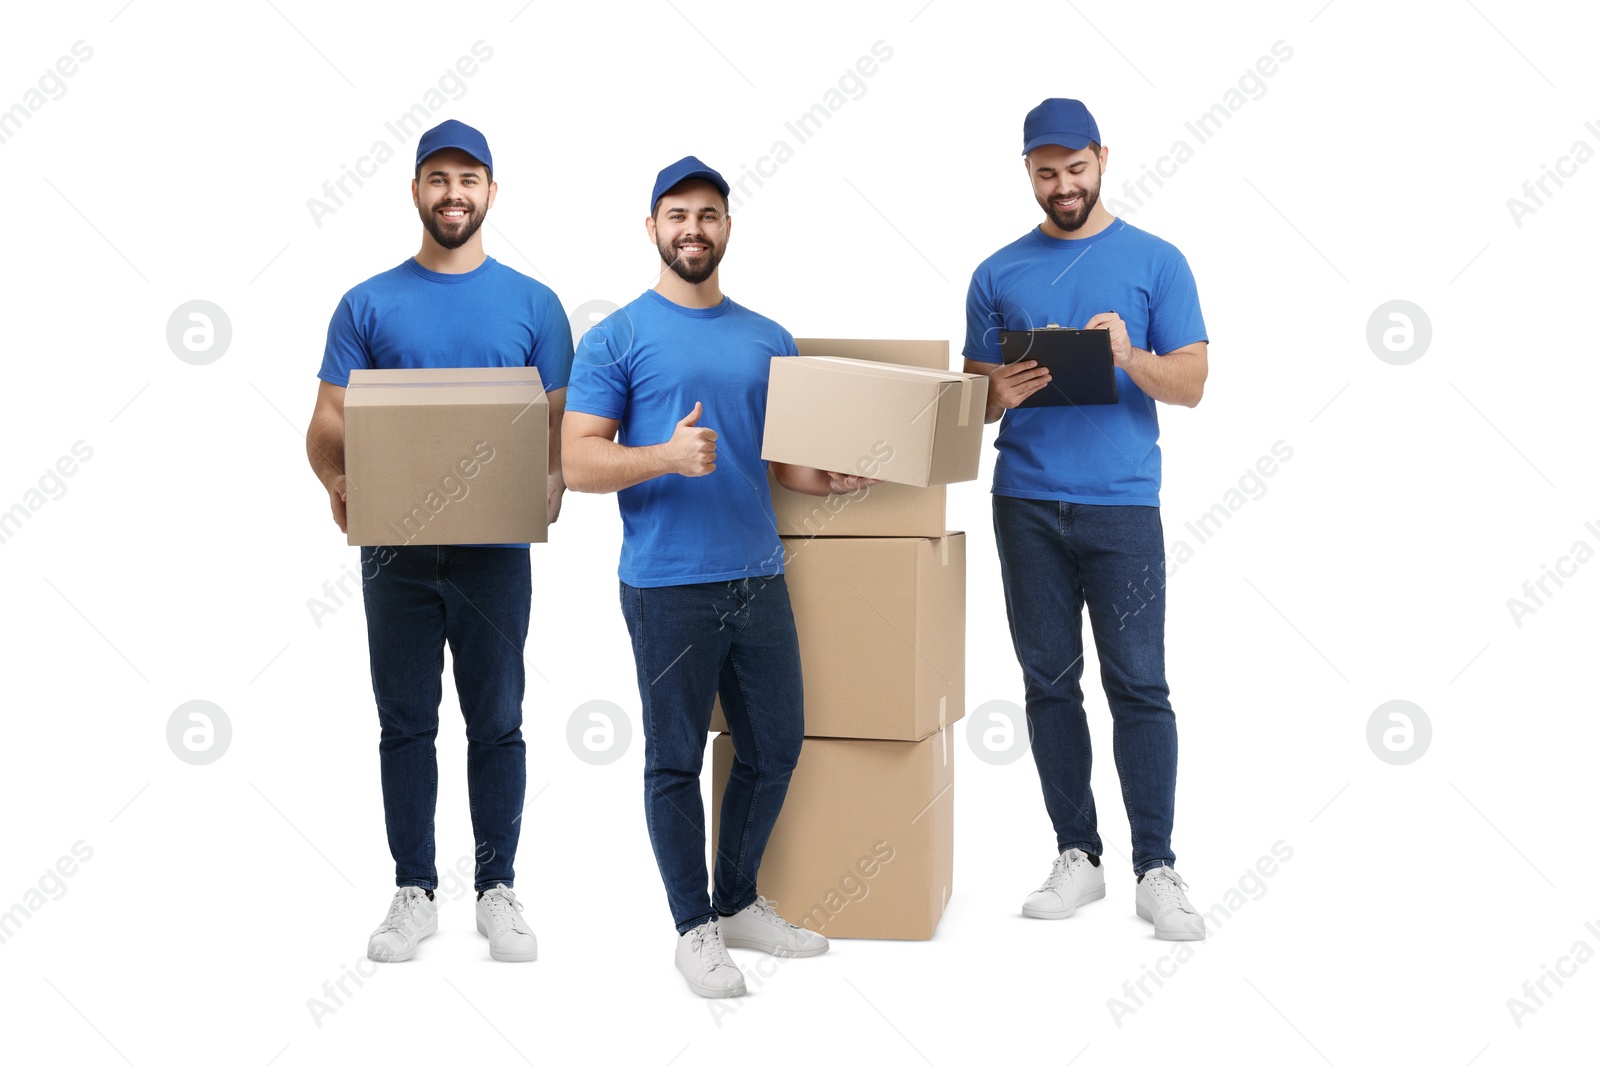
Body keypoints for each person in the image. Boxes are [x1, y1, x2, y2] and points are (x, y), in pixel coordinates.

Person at [562, 156, 874, 997]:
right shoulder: (616, 335)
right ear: (653, 227)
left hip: (758, 575)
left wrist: (830, 479)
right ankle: (693, 928)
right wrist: (663, 454)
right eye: (677, 215)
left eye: (707, 214)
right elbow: (575, 459)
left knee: (775, 746)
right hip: (665, 582)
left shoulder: (769, 337)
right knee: (674, 761)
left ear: (728, 227)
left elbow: (778, 460)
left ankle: (737, 902)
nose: (692, 229)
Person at [305, 119, 573, 963]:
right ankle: (413, 889)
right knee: (405, 721)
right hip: (397, 552)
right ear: (416, 191)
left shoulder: (534, 304)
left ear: (493, 191)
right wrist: (337, 481)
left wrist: (553, 486)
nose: (453, 193)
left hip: (496, 550)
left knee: (497, 719)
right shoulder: (367, 302)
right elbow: (326, 423)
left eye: (469, 178)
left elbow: (563, 431)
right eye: (437, 178)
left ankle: (498, 887)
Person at [963, 98, 1211, 940]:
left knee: (1140, 684)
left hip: (1123, 505)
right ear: (1026, 170)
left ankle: (1157, 866)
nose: (1062, 185)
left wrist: (1127, 357)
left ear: (1103, 158)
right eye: (1046, 171)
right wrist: (995, 391)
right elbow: (971, 411)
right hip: (1025, 504)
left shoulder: (1157, 261)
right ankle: (1078, 854)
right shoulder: (996, 273)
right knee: (1048, 683)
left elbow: (1193, 383)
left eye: (1075, 168)